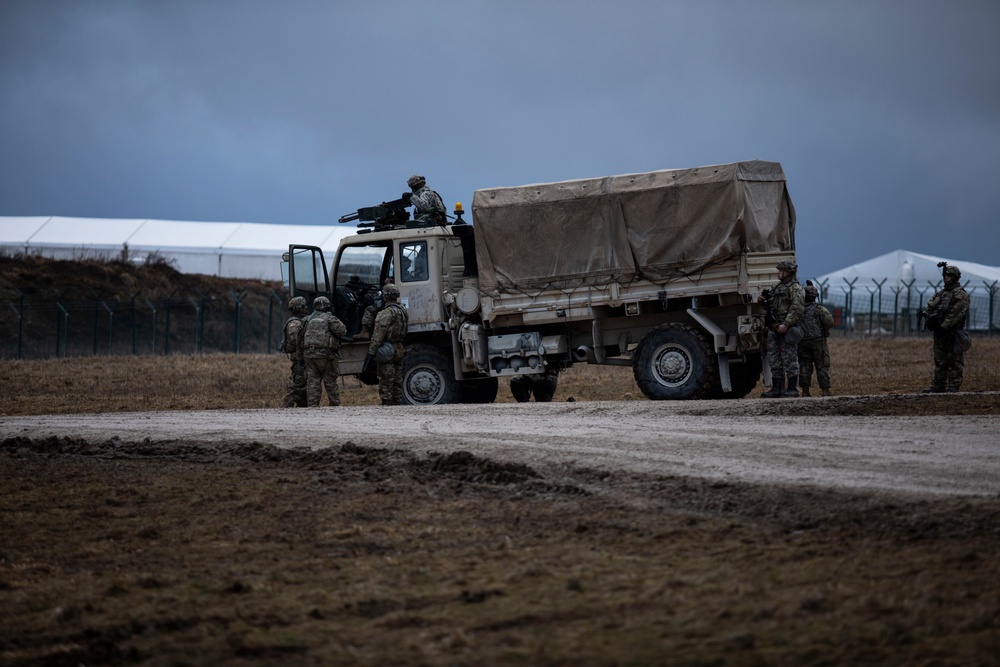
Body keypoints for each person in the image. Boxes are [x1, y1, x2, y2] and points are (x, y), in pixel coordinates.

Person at [759, 260, 805, 398]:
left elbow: (797, 309)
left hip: (787, 329)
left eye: (781, 270)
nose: (778, 272)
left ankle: (792, 388)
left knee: (790, 359)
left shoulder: (795, 289)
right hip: (774, 329)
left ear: (788, 272)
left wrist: (786, 324)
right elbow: (771, 308)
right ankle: (777, 388)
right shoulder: (777, 288)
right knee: (774, 359)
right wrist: (762, 301)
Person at [922, 263, 970, 393]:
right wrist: (928, 317)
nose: (946, 277)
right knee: (940, 360)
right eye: (945, 275)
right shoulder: (941, 294)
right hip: (940, 333)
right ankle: (938, 384)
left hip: (953, 333)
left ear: (955, 278)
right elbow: (931, 306)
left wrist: (943, 326)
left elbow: (956, 314)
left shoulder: (960, 295)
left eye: (949, 275)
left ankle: (953, 385)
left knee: (954, 360)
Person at [300, 296, 348, 407]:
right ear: (327, 306)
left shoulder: (306, 320)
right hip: (326, 355)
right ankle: (334, 405)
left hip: (309, 355)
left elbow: (299, 340)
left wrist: (299, 358)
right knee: (330, 381)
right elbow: (342, 331)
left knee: (312, 381)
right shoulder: (330, 318)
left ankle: (313, 405)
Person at [366, 284, 409, 405]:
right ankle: (397, 401)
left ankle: (387, 403)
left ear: (386, 296)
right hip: (399, 347)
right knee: (397, 378)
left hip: (387, 348)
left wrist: (372, 351)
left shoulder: (386, 313)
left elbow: (378, 334)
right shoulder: (403, 311)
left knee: (386, 377)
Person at [797, 281, 834, 397]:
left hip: (802, 342)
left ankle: (805, 391)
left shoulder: (798, 311)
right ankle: (825, 390)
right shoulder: (819, 309)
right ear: (815, 296)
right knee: (822, 365)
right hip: (818, 341)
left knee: (804, 366)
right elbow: (829, 322)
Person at [279, 296, 309, 408]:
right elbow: (296, 340)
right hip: (299, 358)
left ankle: (303, 407)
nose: (306, 308)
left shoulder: (302, 321)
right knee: (298, 385)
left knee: (305, 385)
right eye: (303, 306)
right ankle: (286, 405)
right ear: (298, 308)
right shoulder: (294, 323)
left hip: (303, 357)